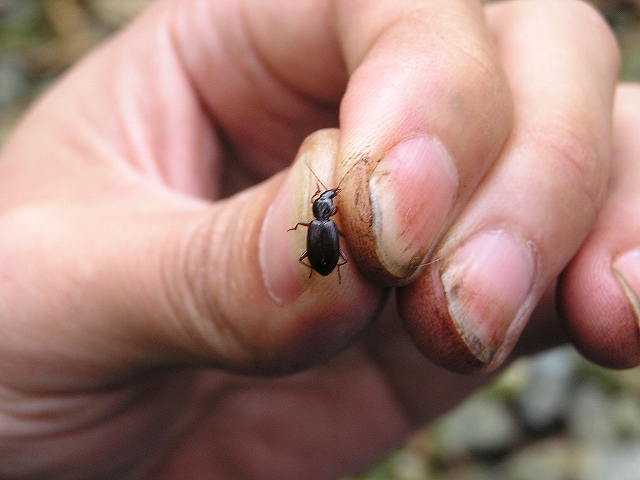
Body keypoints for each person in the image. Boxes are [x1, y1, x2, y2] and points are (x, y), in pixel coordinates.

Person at [0, 0, 636, 478]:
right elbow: (313, 238)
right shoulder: (319, 222)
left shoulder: (318, 222)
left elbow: (314, 236)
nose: (324, 202)